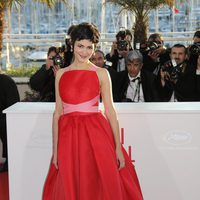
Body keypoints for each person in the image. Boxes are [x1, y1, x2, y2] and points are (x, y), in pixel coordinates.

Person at [42, 22, 143, 200]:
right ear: (71, 45)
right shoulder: (61, 74)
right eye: (80, 46)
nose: (85, 51)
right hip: (68, 137)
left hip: (96, 134)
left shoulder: (101, 73)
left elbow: (111, 111)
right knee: (69, 183)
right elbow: (57, 113)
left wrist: (118, 148)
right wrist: (55, 151)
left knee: (96, 183)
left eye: (90, 47)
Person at [0, 74, 20, 172]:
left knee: (6, 125)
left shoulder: (7, 81)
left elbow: (14, 104)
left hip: (6, 116)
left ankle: (9, 161)